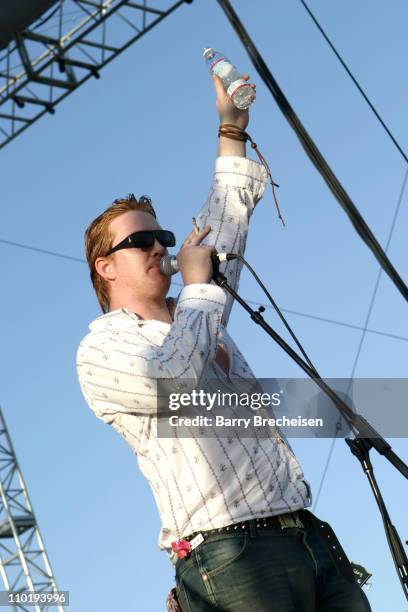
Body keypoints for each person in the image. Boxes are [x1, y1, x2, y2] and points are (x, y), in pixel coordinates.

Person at [76, 75, 371, 611]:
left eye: (163, 238)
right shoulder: (101, 349)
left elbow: (226, 221)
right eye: (140, 241)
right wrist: (196, 287)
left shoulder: (198, 310)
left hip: (307, 536)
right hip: (230, 554)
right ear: (106, 266)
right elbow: (174, 377)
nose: (159, 247)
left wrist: (230, 128)